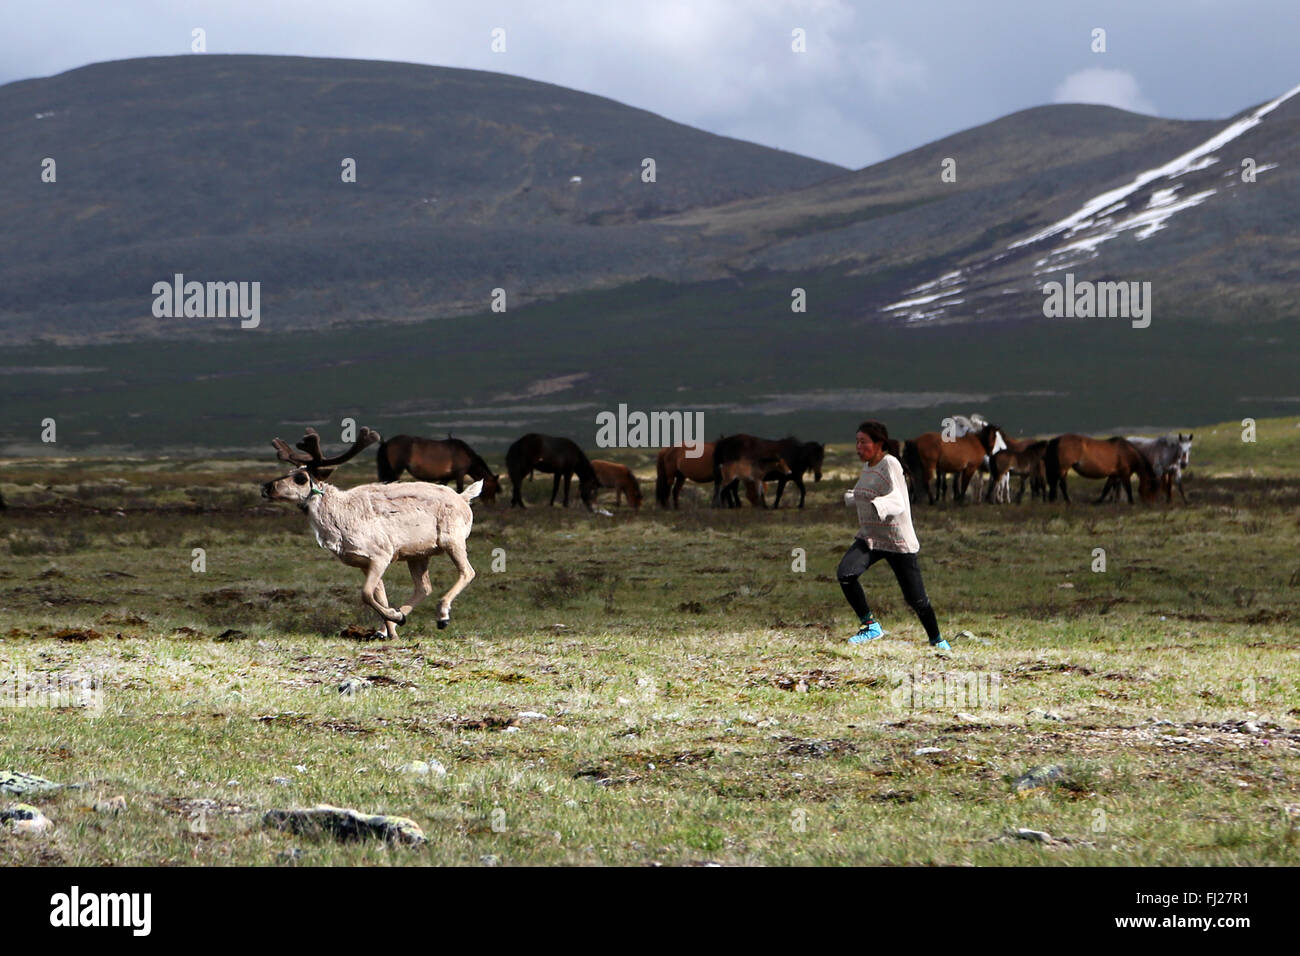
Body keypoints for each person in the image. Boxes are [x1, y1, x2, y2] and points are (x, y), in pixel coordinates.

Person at [838, 419, 949, 650]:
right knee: (846, 574)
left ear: (879, 443)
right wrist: (852, 498)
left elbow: (898, 499)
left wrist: (879, 505)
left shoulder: (890, 463)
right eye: (856, 442)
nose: (858, 447)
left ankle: (937, 640)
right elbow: (865, 491)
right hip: (871, 538)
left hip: (897, 541)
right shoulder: (868, 466)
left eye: (863, 442)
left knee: (916, 599)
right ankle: (870, 626)